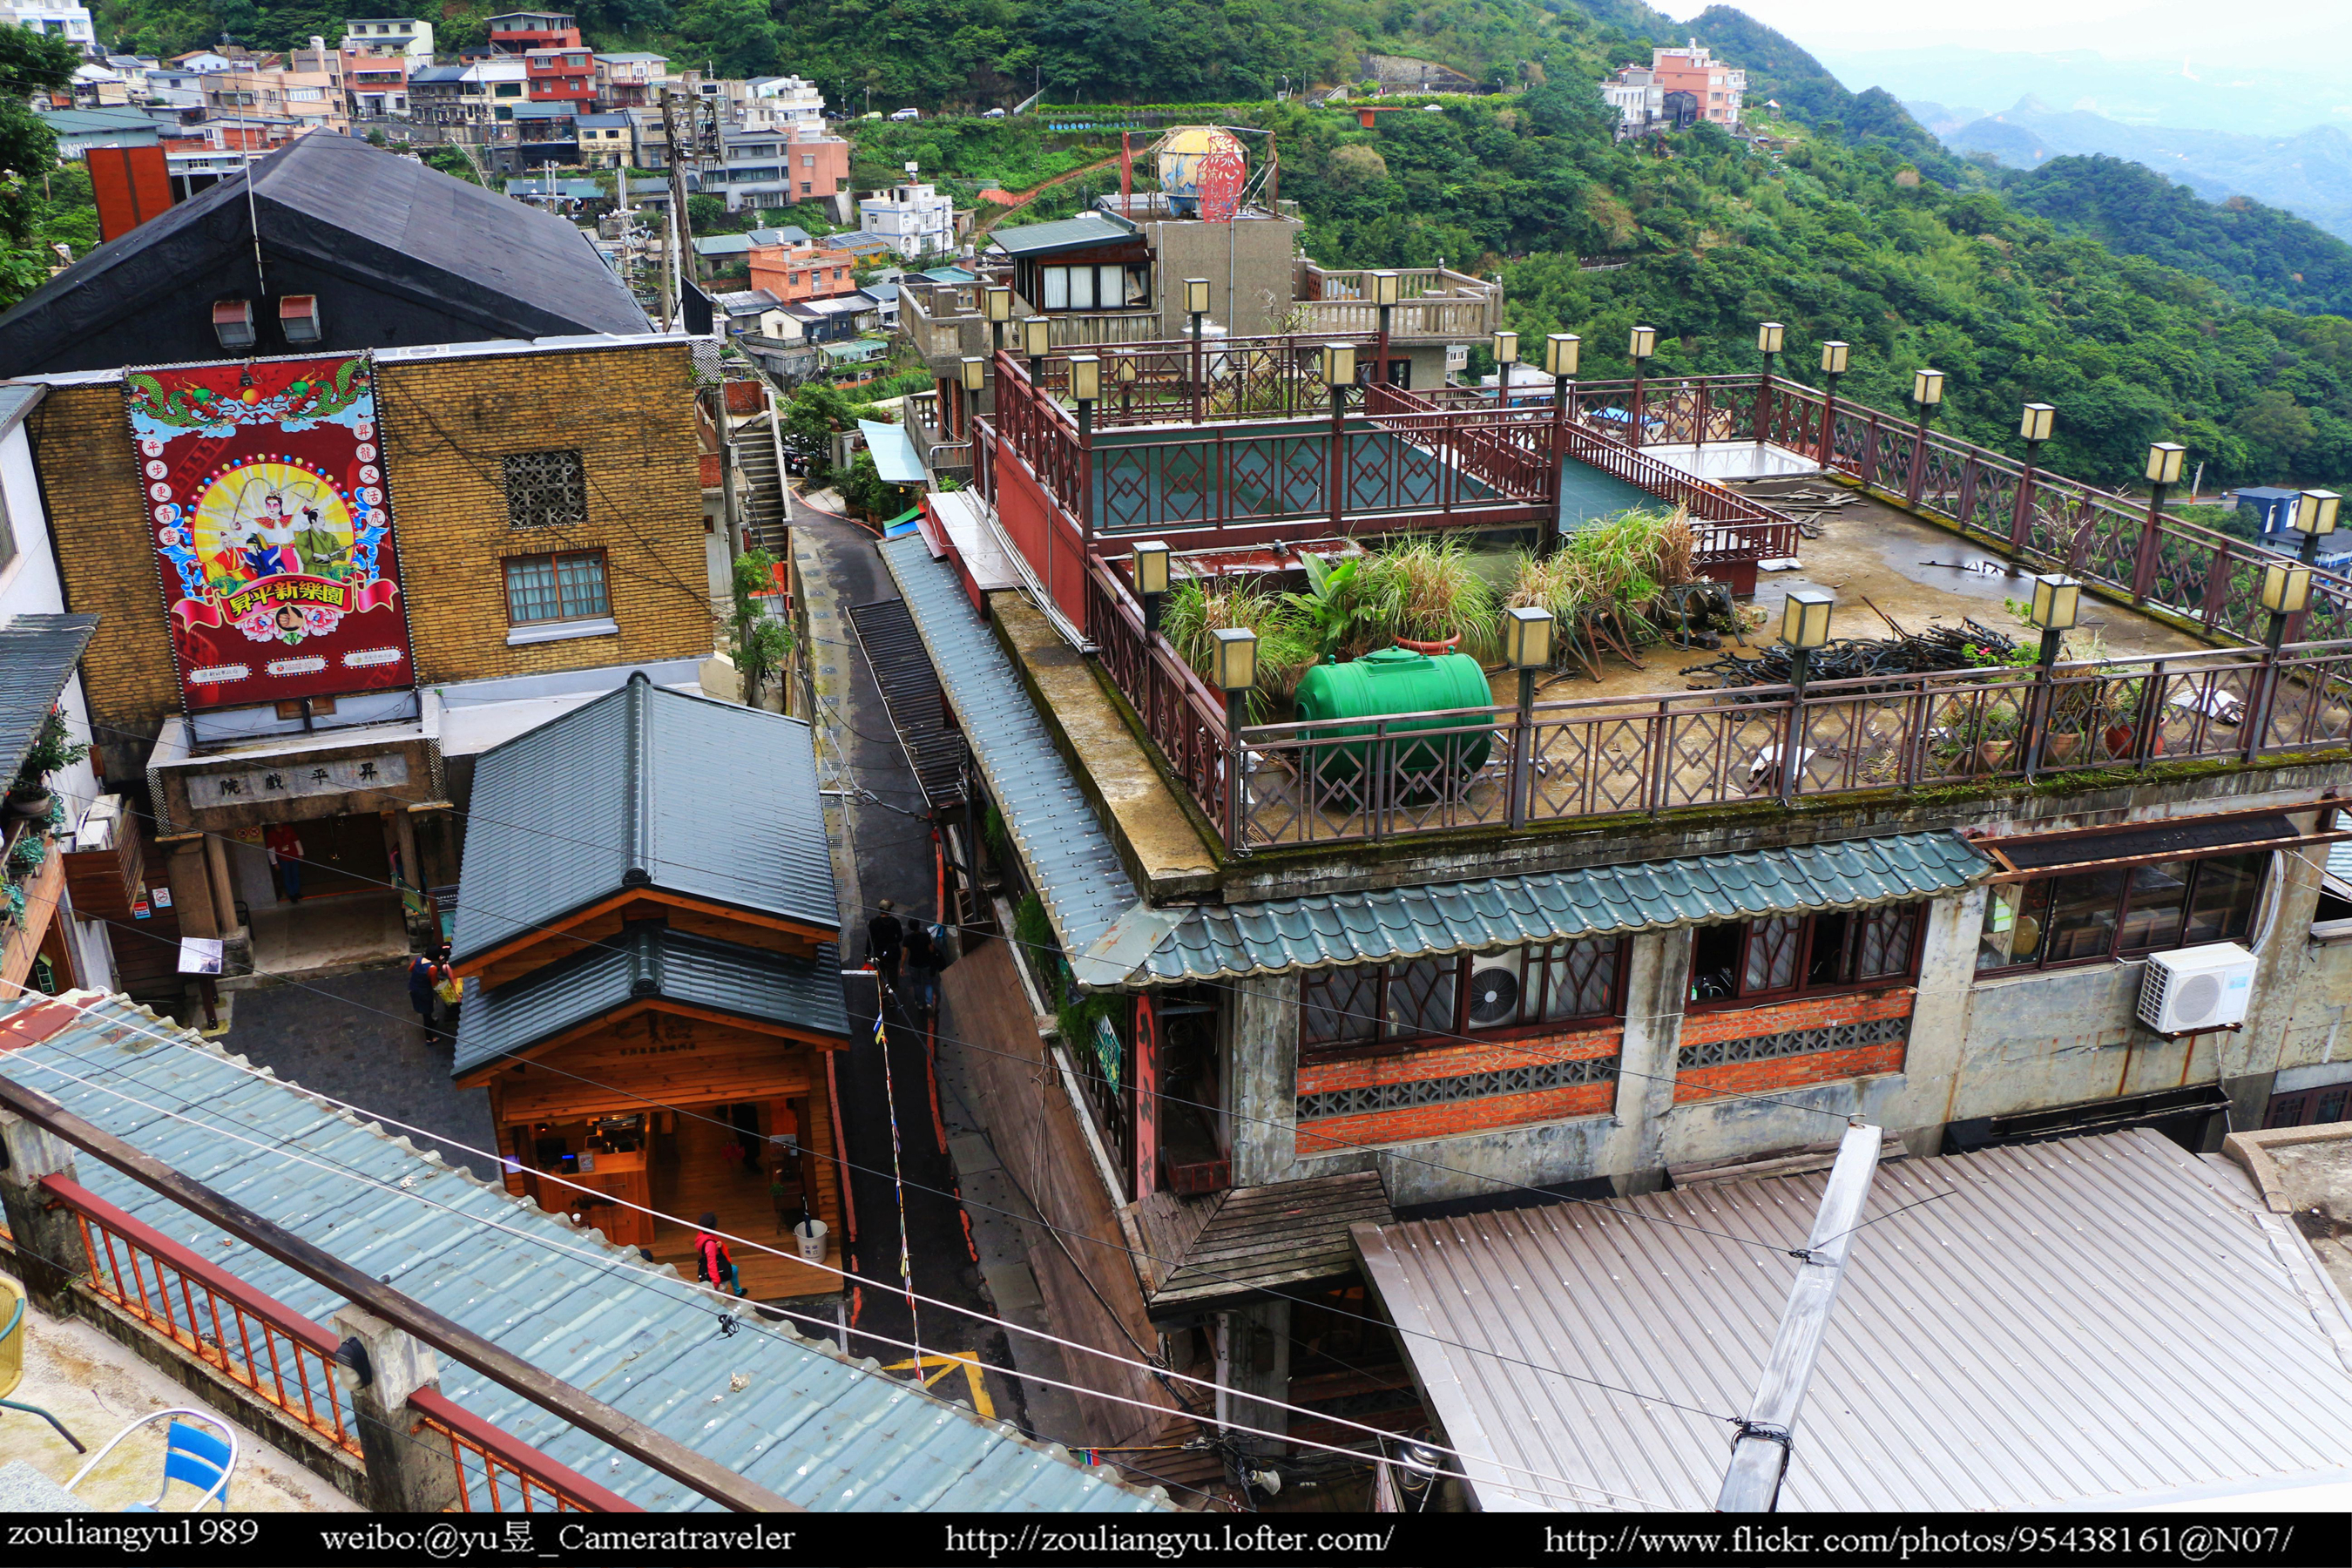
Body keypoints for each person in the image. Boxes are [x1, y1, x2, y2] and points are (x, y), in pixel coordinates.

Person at [693, 1212, 747, 1297]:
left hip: (709, 1266)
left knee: (734, 1269)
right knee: (720, 1295)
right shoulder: (710, 1244)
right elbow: (712, 1263)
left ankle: (738, 1292)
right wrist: (716, 1282)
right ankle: (737, 1292)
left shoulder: (701, 1235)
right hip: (715, 1273)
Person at [902, 918, 940, 1021]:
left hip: (913, 964)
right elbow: (931, 950)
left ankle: (919, 1003)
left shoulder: (907, 938)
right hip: (926, 964)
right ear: (919, 926)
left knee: (917, 984)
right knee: (928, 983)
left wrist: (901, 966)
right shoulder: (925, 936)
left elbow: (905, 954)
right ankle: (929, 1003)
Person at [868, 898, 903, 991]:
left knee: (881, 974)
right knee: (892, 976)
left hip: (878, 952)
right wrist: (892, 942)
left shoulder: (873, 922)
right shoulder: (895, 922)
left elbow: (870, 939)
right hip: (892, 954)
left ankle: (883, 993)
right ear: (889, 910)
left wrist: (867, 953)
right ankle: (892, 998)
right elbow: (900, 937)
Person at [263, 822, 305, 902]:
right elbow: (270, 849)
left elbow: (296, 840)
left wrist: (301, 853)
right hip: (283, 858)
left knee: (295, 875)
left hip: (293, 855)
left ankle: (296, 892)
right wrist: (274, 862)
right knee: (287, 877)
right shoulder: (271, 834)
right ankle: (291, 894)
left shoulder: (288, 829)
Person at [406, 948, 439, 1035]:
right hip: (424, 992)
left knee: (425, 1011)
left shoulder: (418, 960)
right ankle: (429, 1038)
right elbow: (434, 983)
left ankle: (431, 1021)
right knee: (427, 1013)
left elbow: (410, 969)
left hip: (413, 988)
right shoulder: (432, 968)